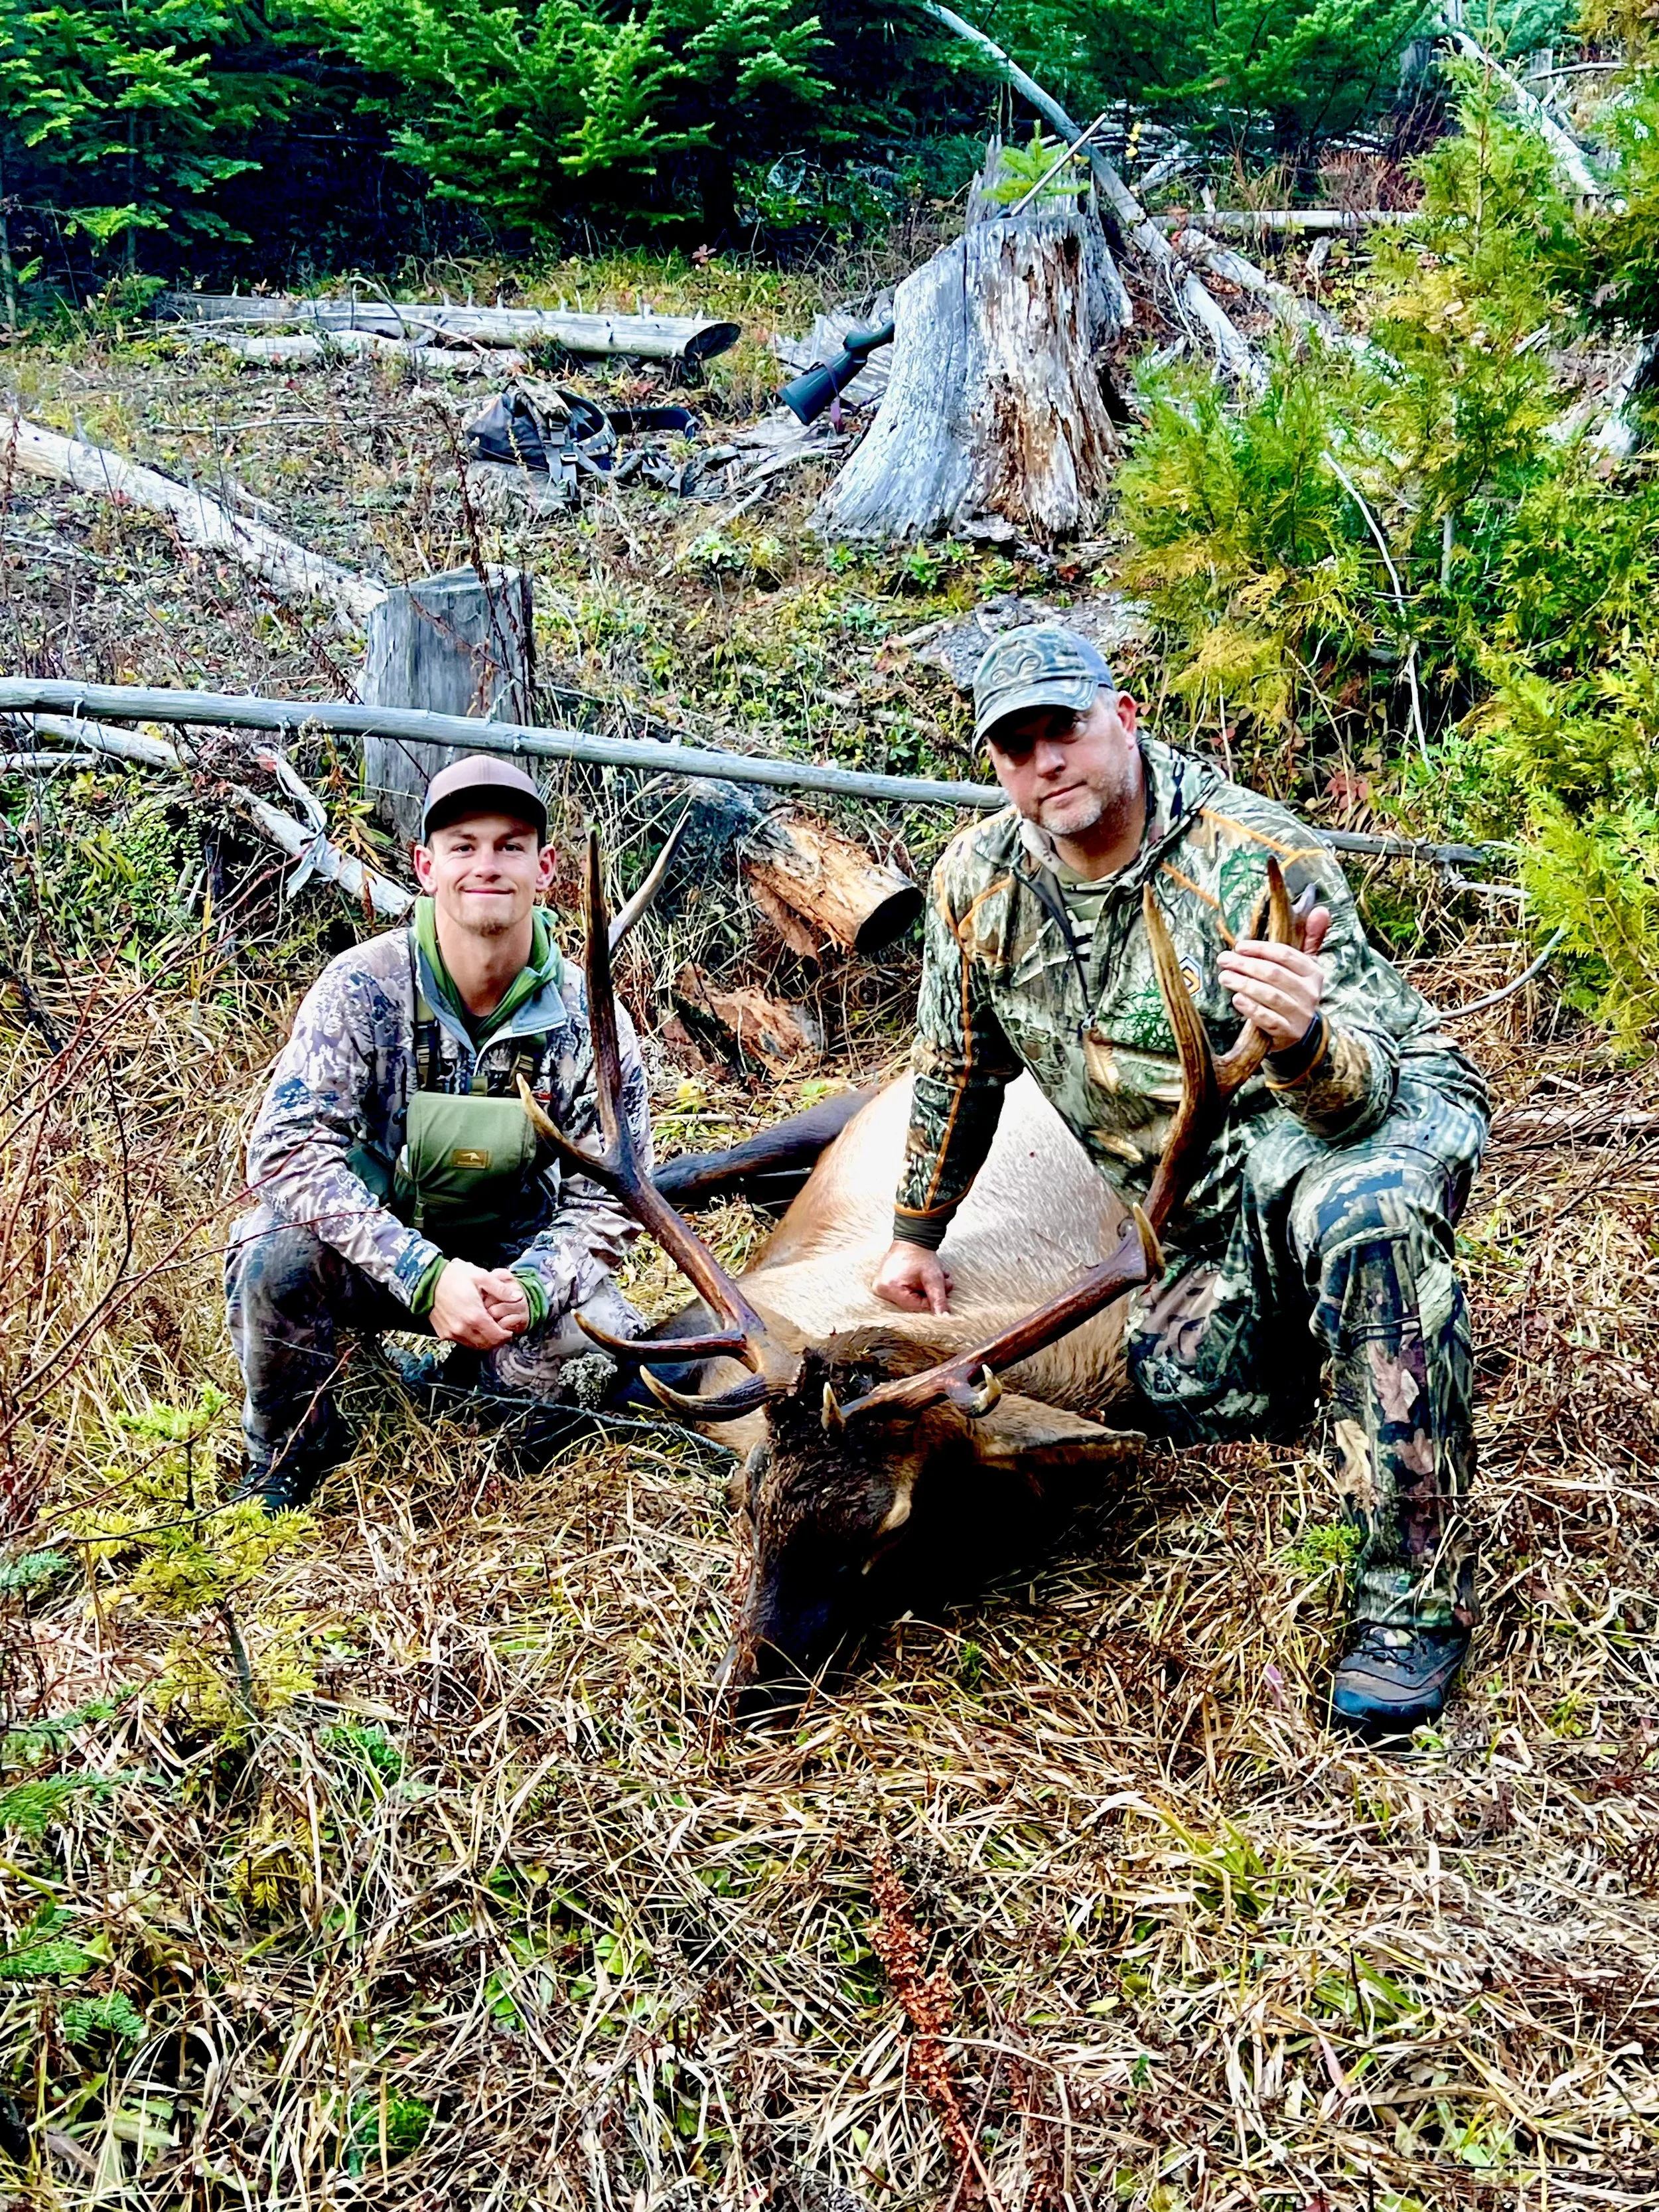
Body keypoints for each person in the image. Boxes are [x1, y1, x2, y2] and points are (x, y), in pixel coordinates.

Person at [870, 625, 1489, 1736]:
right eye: (1015, 744)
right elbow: (956, 1063)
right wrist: (918, 1227)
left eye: (1063, 726)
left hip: (1350, 1119)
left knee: (1365, 1221)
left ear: (1125, 718)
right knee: (1188, 1389)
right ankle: (1354, 1341)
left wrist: (1301, 1041)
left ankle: (1412, 1600)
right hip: (1197, 1196)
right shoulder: (977, 881)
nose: (1044, 759)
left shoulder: (1256, 851)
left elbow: (1362, 1089)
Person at [225, 756, 650, 1511]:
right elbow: (287, 1149)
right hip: (377, 1257)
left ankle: (474, 1393)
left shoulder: (595, 1023)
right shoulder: (362, 985)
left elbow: (612, 1198)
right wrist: (421, 1272)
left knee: (604, 1353)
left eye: (510, 845)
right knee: (272, 1257)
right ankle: (289, 1457)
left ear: (545, 867)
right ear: (426, 866)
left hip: (508, 1270)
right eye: (463, 845)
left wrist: (533, 1286)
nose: (487, 864)